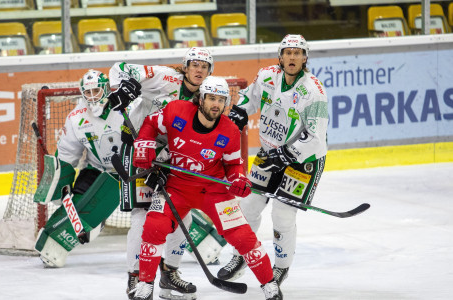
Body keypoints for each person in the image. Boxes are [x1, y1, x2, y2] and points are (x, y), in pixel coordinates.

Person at [130, 76, 283, 300]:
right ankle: (145, 284)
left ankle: (269, 284)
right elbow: (151, 123)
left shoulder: (229, 130)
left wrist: (239, 180)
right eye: (211, 98)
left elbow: (233, 165)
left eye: (221, 100)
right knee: (154, 227)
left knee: (243, 237)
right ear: (200, 98)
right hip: (176, 186)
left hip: (213, 190)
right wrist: (144, 143)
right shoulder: (176, 111)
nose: (216, 104)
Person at [217, 34, 329, 287]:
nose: (292, 57)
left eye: (297, 53)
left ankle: (280, 268)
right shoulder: (267, 75)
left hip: (303, 160)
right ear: (280, 56)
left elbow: (316, 138)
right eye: (287, 52)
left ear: (304, 58)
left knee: (282, 215)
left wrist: (286, 155)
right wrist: (239, 112)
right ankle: (240, 256)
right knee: (248, 206)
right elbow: (249, 97)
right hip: (270, 151)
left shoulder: (314, 91)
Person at [108, 47, 220, 300]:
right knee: (142, 216)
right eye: (194, 64)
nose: (199, 70)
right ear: (185, 66)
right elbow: (119, 68)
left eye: (204, 66)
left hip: (170, 161)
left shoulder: (207, 99)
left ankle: (169, 276)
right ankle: (136, 276)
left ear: (210, 71)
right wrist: (123, 88)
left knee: (184, 219)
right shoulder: (165, 77)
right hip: (138, 150)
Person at [33, 69, 124, 268]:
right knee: (78, 205)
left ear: (106, 89)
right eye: (88, 92)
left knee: (162, 206)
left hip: (133, 169)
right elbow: (67, 153)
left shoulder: (127, 108)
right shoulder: (77, 118)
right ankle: (51, 243)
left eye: (96, 91)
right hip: (98, 169)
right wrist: (61, 184)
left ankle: (202, 242)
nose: (92, 97)